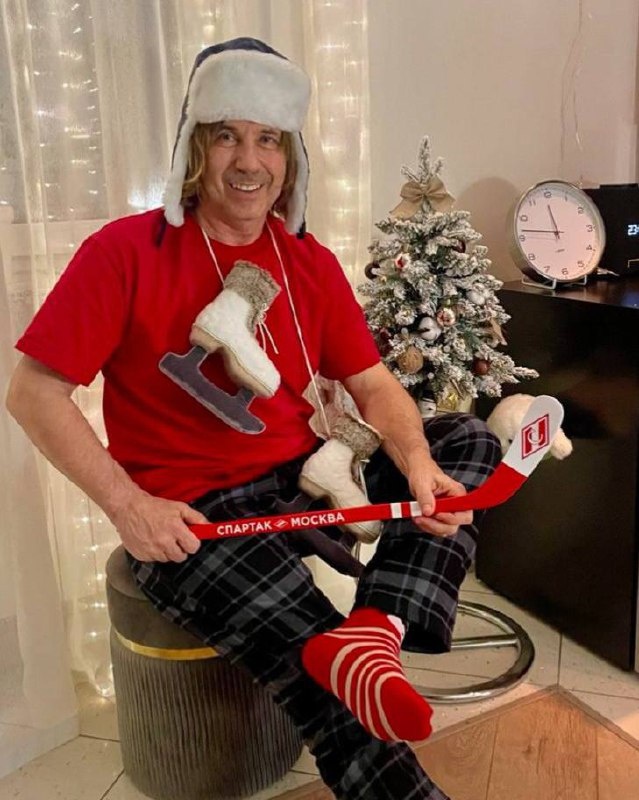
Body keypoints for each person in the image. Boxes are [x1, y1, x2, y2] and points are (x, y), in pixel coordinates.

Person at [7, 37, 501, 800]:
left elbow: (373, 383)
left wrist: (412, 460)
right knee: (322, 676)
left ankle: (376, 630)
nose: (249, 160)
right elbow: (33, 392)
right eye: (226, 136)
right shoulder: (123, 251)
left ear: (289, 155)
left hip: (307, 476)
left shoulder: (307, 260)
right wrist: (127, 506)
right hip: (193, 513)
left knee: (462, 440)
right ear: (194, 147)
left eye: (268, 139)